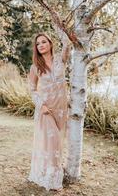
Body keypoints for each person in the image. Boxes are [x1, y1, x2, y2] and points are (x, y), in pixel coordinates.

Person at [27, 32, 71, 191]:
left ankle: (50, 173)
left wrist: (63, 29)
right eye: (38, 44)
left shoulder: (60, 60)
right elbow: (32, 90)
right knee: (52, 143)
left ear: (51, 44)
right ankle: (51, 179)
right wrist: (41, 106)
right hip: (46, 110)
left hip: (61, 109)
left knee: (58, 143)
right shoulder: (35, 67)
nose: (41, 45)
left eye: (44, 42)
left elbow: (67, 45)